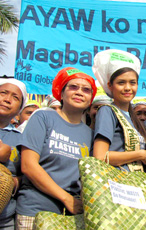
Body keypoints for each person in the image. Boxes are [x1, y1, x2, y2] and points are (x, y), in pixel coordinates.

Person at [16, 67, 97, 229]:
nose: (79, 92)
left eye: (86, 90)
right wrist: (66, 198)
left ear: (90, 99)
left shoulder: (91, 134)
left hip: (72, 217)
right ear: (61, 93)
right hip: (36, 211)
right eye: (73, 87)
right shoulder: (43, 117)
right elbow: (28, 165)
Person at [92, 49, 146, 173]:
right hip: (116, 184)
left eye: (132, 83)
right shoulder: (107, 111)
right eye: (121, 83)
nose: (128, 88)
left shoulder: (133, 117)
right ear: (110, 85)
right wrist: (140, 155)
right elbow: (100, 156)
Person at [0, 77, 27, 230]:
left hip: (5, 220)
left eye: (15, 97)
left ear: (19, 110)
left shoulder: (21, 139)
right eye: (3, 93)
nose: (7, 99)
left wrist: (15, 182)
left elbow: (28, 172)